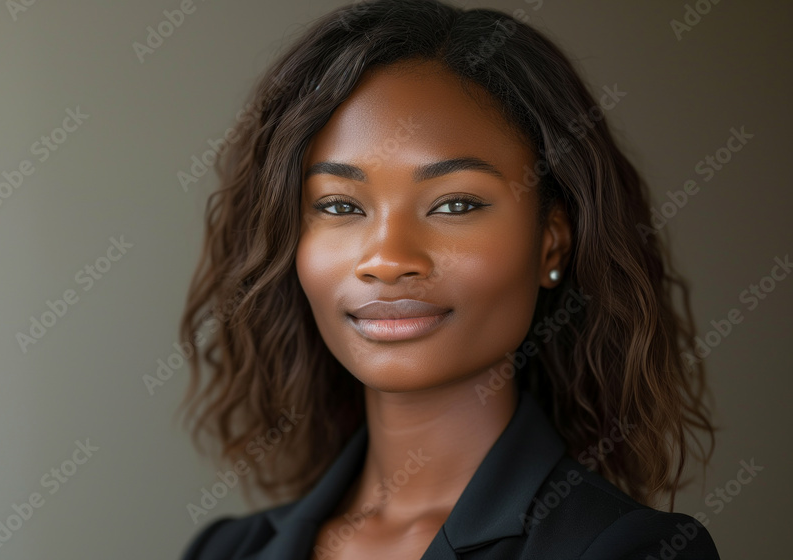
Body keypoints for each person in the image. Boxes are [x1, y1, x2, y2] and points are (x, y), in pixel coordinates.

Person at [176, 0, 720, 558]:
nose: (387, 259)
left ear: (552, 240)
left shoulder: (626, 550)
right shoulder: (225, 551)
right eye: (339, 207)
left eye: (455, 204)